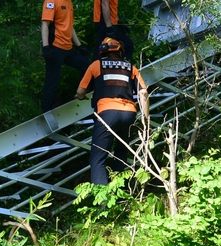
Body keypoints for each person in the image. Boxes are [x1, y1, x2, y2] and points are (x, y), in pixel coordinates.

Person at [75, 37, 148, 185]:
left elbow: (81, 91)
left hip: (107, 113)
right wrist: (145, 119)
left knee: (98, 159)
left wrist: (81, 96)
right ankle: (119, 192)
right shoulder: (131, 68)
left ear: (102, 51)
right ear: (120, 51)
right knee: (121, 153)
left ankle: (103, 203)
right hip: (129, 113)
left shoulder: (96, 66)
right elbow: (143, 93)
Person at [41, 0, 89, 112]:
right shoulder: (51, 1)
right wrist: (46, 47)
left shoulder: (69, 2)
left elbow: (70, 26)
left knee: (87, 65)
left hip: (68, 47)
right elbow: (45, 24)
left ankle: (82, 94)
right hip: (55, 47)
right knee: (52, 81)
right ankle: (46, 111)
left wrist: (79, 45)